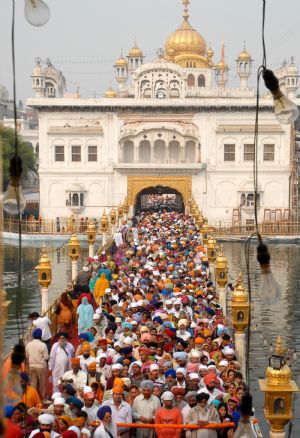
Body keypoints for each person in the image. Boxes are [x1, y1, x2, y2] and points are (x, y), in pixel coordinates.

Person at [25, 328, 49, 401]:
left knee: (33, 384)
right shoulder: (43, 345)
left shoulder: (28, 344)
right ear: (41, 336)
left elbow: (27, 356)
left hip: (31, 366)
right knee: (42, 384)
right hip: (41, 367)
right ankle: (44, 398)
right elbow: (46, 357)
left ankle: (32, 399)